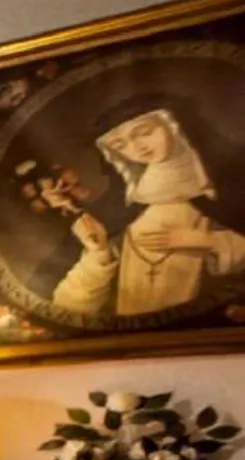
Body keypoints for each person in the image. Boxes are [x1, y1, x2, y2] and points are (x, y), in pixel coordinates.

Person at [52, 96, 245, 319]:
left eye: (144, 132)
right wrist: (99, 251)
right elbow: (68, 306)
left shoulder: (229, 191)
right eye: (119, 145)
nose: (137, 148)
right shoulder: (124, 208)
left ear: (172, 125)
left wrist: (209, 241)